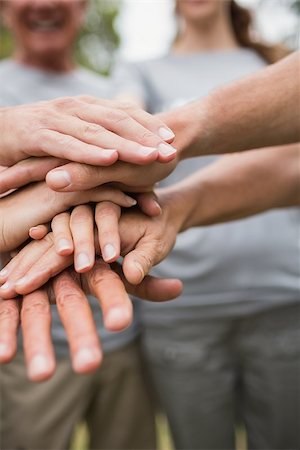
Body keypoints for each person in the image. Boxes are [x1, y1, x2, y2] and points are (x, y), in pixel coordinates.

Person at [110, 1, 300, 449]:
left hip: (280, 296)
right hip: (186, 308)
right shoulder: (141, 71)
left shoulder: (273, 65)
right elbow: (121, 120)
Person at [0, 1, 168, 448]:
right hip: (24, 344)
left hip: (123, 338)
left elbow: (141, 191)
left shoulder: (109, 97)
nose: (43, 4)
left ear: (83, 7)